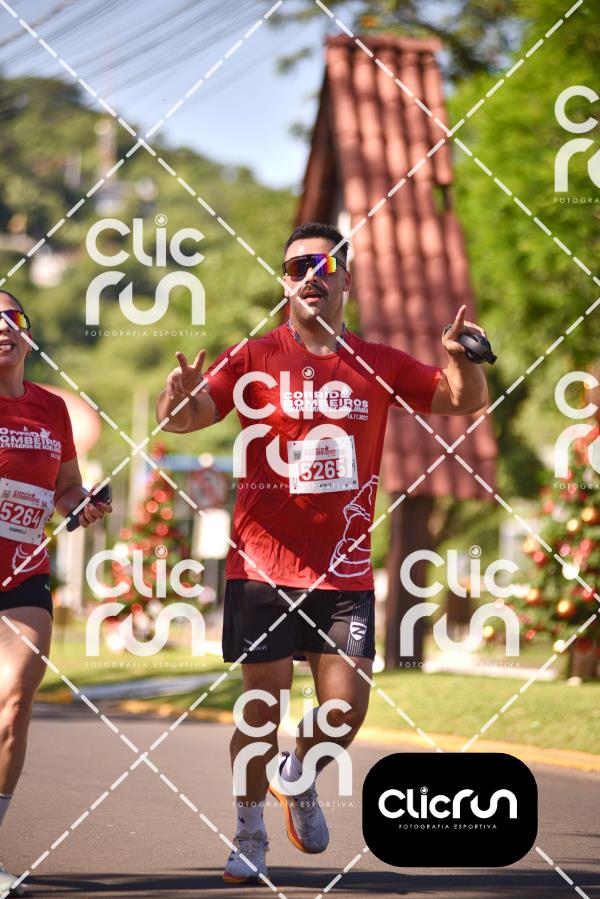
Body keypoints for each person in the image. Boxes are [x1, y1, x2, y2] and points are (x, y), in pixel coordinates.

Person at [156, 222, 489, 883]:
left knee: (345, 710)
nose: (311, 273)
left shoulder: (378, 362)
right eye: (297, 266)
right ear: (284, 283)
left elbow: (461, 401)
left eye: (325, 263)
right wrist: (177, 395)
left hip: (343, 570)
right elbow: (184, 418)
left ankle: (298, 771)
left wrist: (464, 358)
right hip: (261, 566)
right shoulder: (252, 356)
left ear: (346, 280)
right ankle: (249, 832)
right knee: (261, 709)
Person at [0, 291, 111, 894]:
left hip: (23, 573)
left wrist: (80, 503)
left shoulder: (50, 408)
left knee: (15, 700)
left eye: (13, 318)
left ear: (28, 334)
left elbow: (66, 486)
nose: (3, 327)